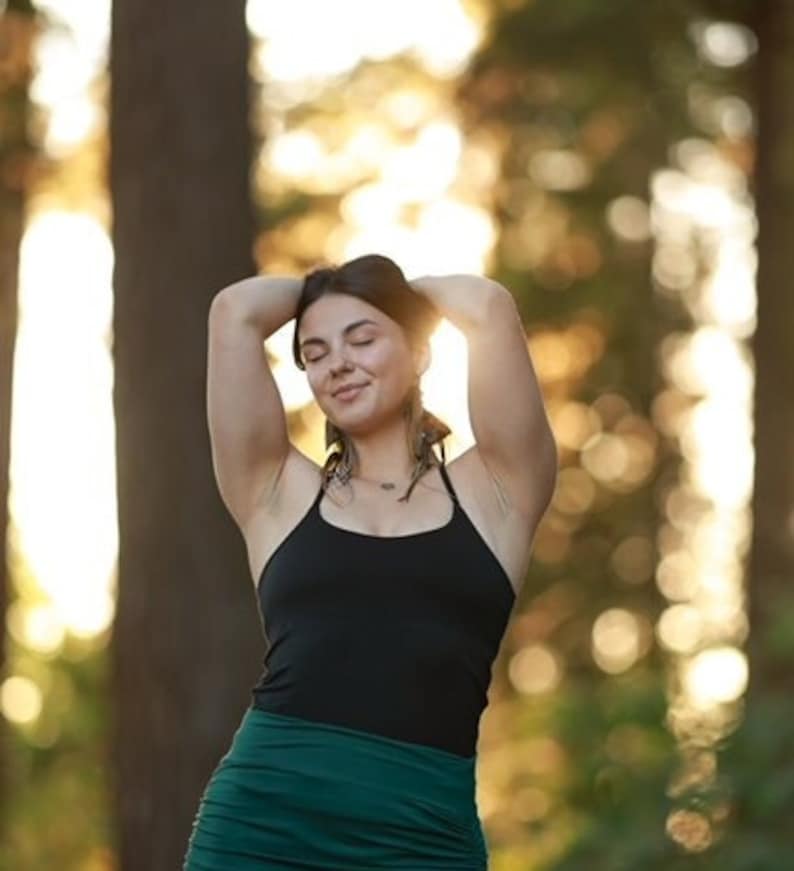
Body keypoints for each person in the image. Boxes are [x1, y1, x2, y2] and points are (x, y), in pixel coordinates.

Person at [183, 253, 558, 869]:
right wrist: (323, 288)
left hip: (423, 833)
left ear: (420, 352)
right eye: (316, 353)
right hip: (263, 824)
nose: (338, 363)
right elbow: (235, 311)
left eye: (363, 339)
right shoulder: (275, 491)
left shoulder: (497, 492)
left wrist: (396, 291)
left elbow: (489, 308)